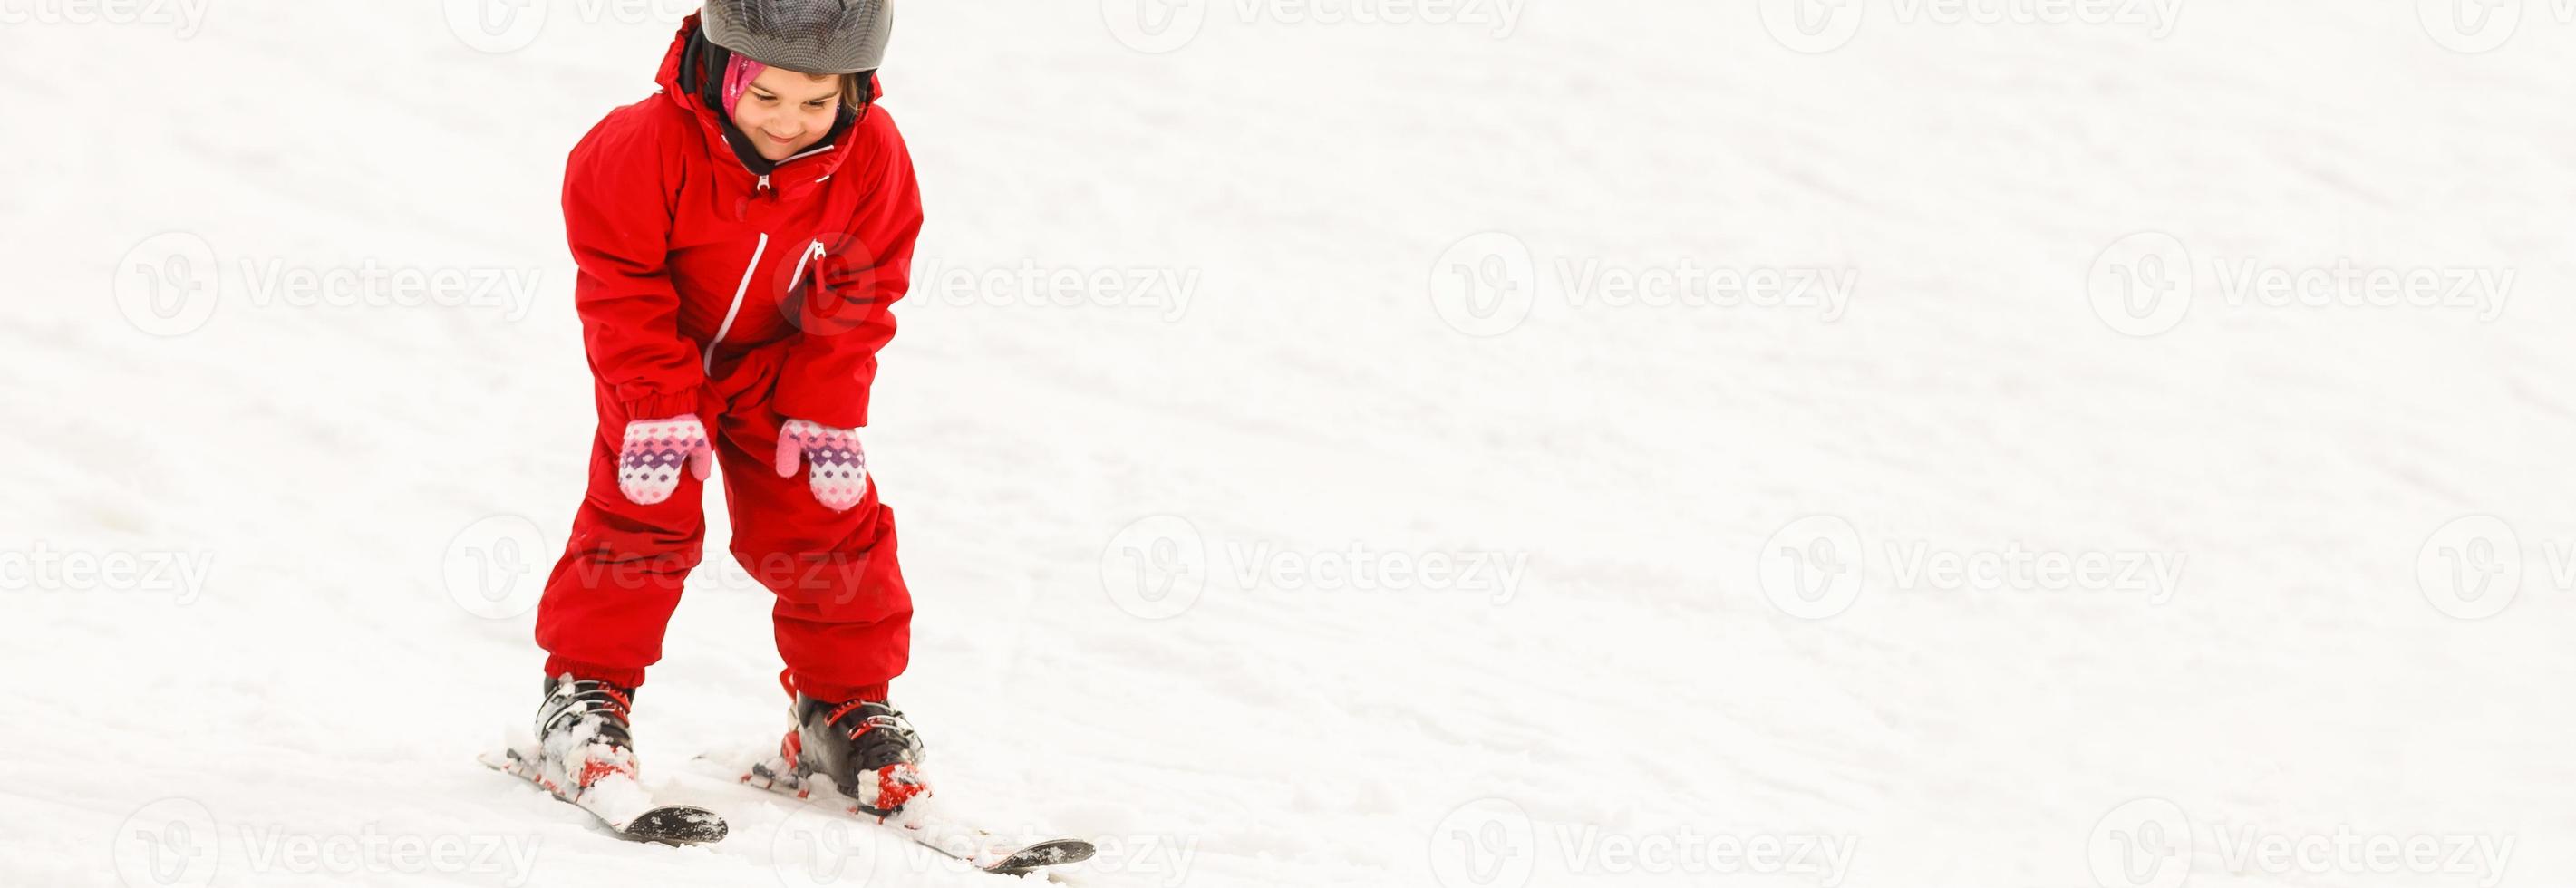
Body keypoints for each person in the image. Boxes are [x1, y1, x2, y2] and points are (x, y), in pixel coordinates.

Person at [526, 0, 928, 819]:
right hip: (661, 360)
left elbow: (865, 279)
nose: (790, 124)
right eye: (767, 98)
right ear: (722, 69)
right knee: (644, 518)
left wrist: (827, 405)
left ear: (853, 91)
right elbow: (619, 280)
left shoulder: (870, 154)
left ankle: (840, 709)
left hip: (784, 368)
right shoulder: (641, 143)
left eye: (818, 103)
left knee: (829, 523)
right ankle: (584, 701)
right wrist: (655, 401)